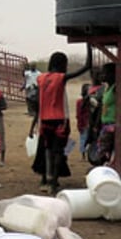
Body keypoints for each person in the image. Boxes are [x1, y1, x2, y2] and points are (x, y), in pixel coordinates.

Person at [30, 49, 91, 192]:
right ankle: (53, 183)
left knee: (46, 150)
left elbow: (37, 101)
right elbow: (86, 67)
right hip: (60, 120)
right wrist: (89, 47)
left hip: (44, 121)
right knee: (58, 151)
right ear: (63, 64)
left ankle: (46, 179)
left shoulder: (40, 78)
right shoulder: (61, 78)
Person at [77, 84, 91, 160]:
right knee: (84, 139)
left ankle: (84, 155)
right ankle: (84, 155)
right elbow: (79, 115)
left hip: (87, 123)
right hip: (85, 123)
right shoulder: (81, 102)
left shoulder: (80, 102)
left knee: (83, 139)